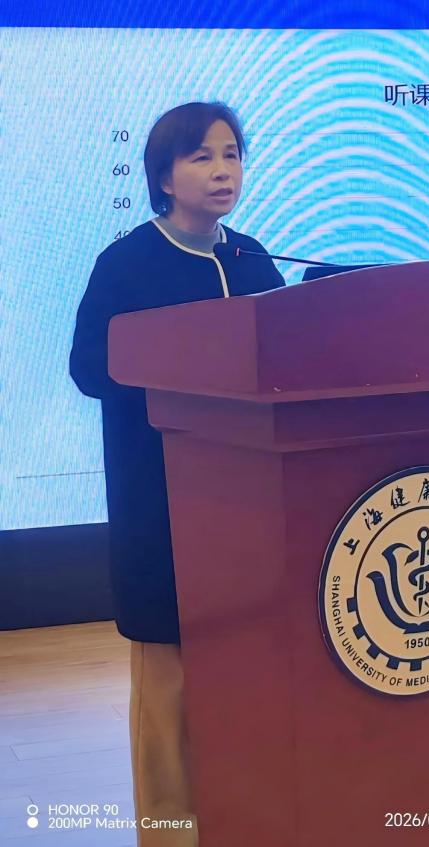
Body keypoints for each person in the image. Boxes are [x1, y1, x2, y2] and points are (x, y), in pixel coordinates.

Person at [69, 101, 285, 845]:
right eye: (201, 157)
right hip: (159, 505)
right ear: (163, 177)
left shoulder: (252, 259)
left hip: (249, 510)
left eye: (232, 154)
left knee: (247, 676)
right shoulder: (126, 263)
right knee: (169, 689)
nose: (223, 170)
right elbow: (89, 370)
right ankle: (171, 833)